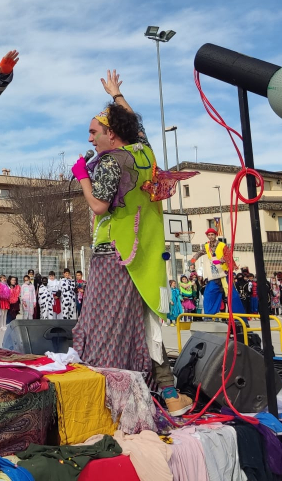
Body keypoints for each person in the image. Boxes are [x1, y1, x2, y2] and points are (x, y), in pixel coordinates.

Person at [71, 72, 192, 416]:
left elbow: (99, 206)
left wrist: (82, 176)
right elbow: (138, 130)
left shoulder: (111, 161)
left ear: (111, 133)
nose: (91, 138)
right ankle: (169, 395)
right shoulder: (145, 155)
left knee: (106, 328)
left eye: (94, 132)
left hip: (116, 255)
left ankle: (109, 399)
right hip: (147, 256)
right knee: (147, 326)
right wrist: (117, 95)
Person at [190, 228, 235, 316]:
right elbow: (200, 252)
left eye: (212, 235)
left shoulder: (222, 245)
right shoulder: (207, 246)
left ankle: (238, 318)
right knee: (208, 294)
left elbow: (229, 256)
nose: (210, 236)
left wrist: (220, 261)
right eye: (209, 235)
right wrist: (193, 259)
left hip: (224, 273)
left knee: (231, 295)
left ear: (215, 235)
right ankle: (210, 316)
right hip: (214, 274)